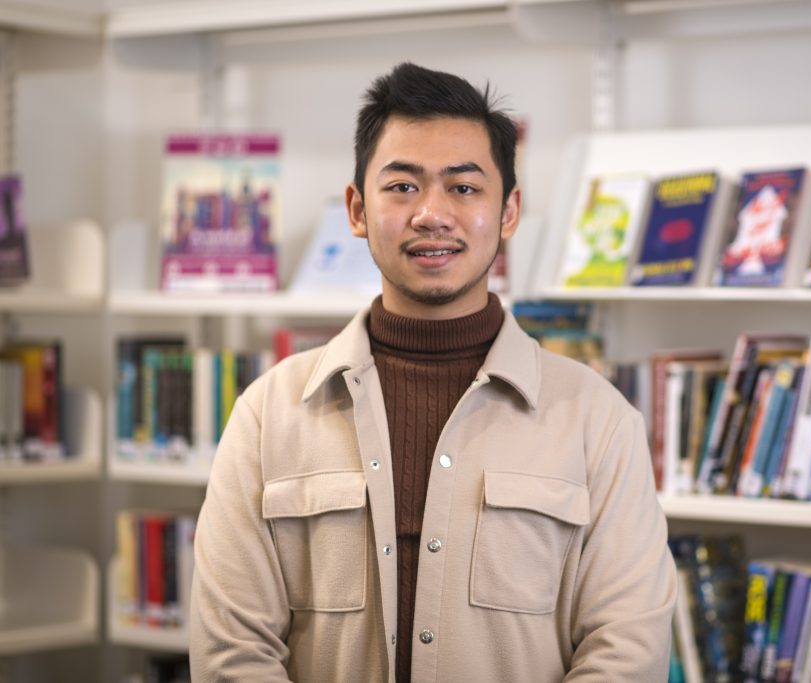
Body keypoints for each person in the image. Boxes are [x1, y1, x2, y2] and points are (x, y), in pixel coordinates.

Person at [190, 61, 676, 682]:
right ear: (357, 210)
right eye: (402, 186)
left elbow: (627, 650)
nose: (432, 214)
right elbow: (231, 653)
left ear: (509, 212)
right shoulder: (268, 414)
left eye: (464, 188)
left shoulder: (599, 421)